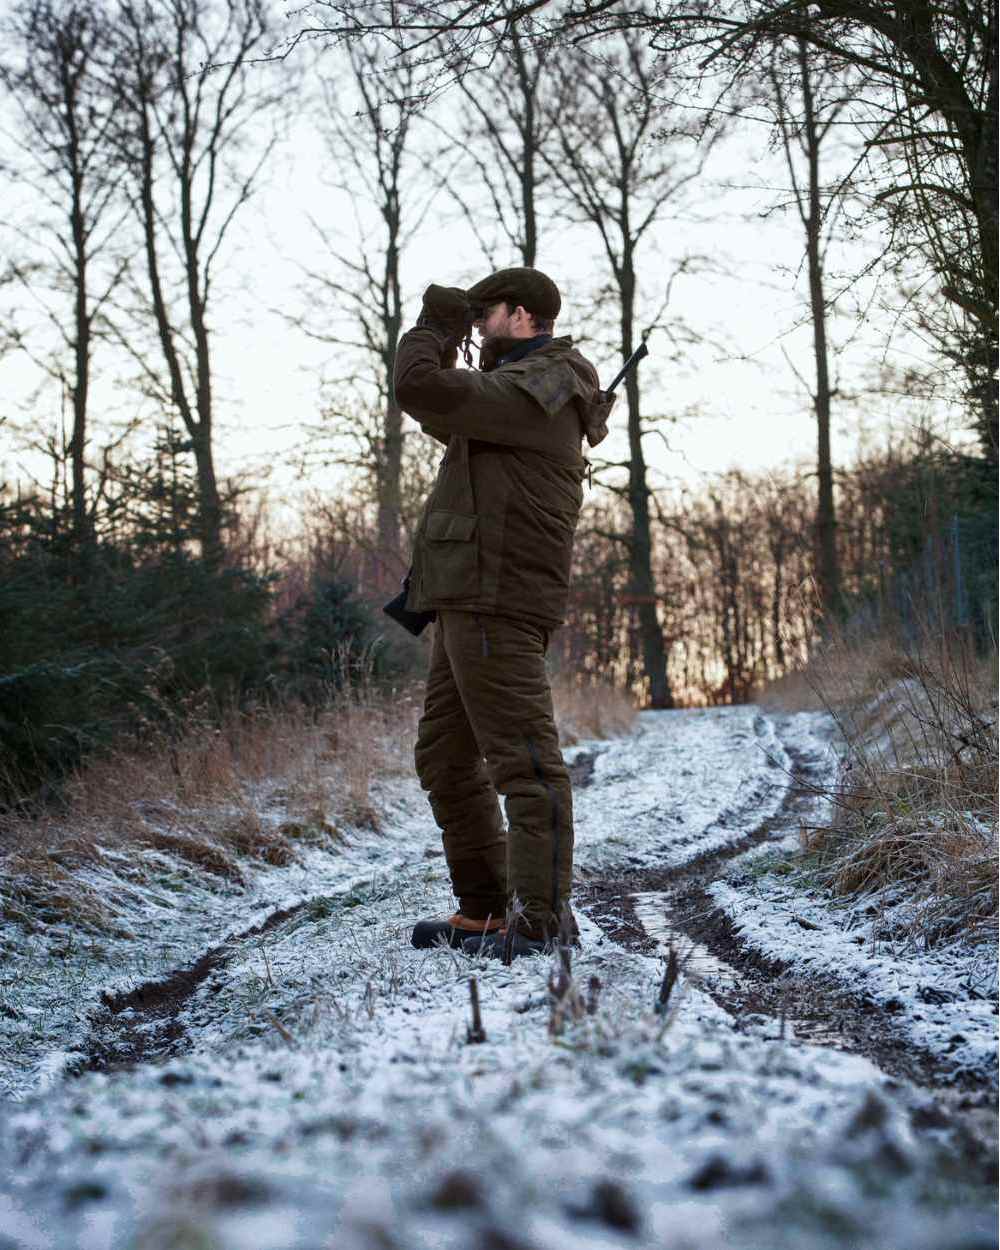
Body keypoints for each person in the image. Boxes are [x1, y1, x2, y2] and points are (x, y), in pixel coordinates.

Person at [393, 267, 612, 959]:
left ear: (522, 315)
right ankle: (483, 911)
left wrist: (432, 329)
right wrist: (455, 342)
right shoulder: (518, 390)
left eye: (486, 314)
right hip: (468, 596)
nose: (478, 327)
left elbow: (421, 386)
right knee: (446, 760)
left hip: (496, 598)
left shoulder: (544, 384)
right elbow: (439, 407)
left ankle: (544, 923)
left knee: (524, 764)